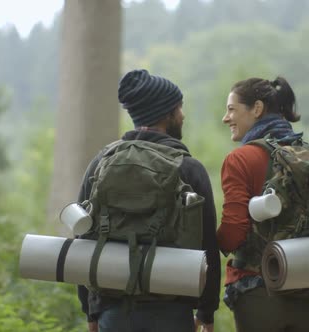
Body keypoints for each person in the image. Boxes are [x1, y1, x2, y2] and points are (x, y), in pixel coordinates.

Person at [77, 69, 220, 332]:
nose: (183, 115)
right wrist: (207, 312)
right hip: (172, 309)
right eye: (179, 108)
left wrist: (90, 311)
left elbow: (82, 236)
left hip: (113, 309)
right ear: (167, 114)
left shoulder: (101, 163)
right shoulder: (189, 169)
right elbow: (207, 245)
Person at [217, 76, 309, 332]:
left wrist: (209, 245)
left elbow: (233, 233)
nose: (226, 118)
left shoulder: (241, 160)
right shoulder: (308, 155)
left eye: (231, 109)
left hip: (260, 291)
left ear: (256, 109)